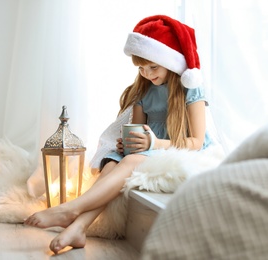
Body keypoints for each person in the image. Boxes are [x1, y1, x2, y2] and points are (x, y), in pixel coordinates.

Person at [24, 14, 212, 254]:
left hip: (175, 149)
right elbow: (137, 131)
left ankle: (71, 210)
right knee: (112, 162)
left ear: (171, 63)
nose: (147, 73)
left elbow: (196, 142)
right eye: (141, 68)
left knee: (132, 161)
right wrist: (129, 144)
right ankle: (79, 227)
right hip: (148, 151)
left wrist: (153, 142)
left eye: (153, 67)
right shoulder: (144, 93)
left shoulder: (191, 89)